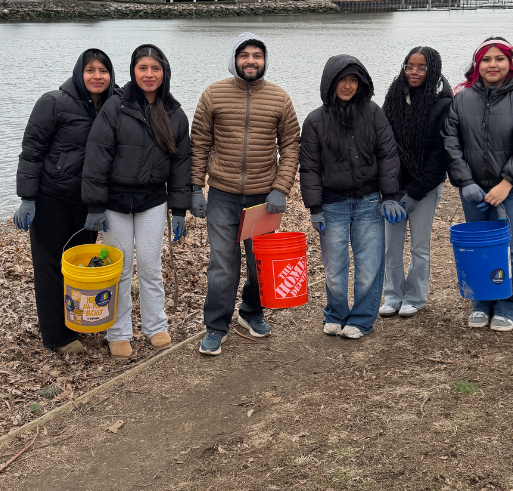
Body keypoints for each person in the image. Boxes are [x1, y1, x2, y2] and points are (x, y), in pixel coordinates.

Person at [191, 31, 300, 356]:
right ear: (235, 59)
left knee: (258, 265)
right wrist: (196, 188)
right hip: (222, 195)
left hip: (263, 198)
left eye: (257, 55)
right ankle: (216, 325)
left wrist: (281, 188)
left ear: (264, 61)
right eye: (245, 55)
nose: (251, 61)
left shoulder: (280, 98)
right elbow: (199, 143)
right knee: (223, 264)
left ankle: (251, 311)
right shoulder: (213, 94)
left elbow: (291, 146)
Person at [82, 44, 191, 360]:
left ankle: (155, 326)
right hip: (115, 203)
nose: (149, 74)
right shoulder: (115, 107)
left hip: (153, 201)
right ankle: (118, 332)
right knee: (118, 267)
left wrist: (179, 208)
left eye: (155, 68)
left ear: (164, 72)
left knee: (149, 264)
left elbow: (182, 163)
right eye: (143, 68)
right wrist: (94, 205)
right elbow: (97, 156)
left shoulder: (174, 112)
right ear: (133, 71)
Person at [14, 49, 116, 355]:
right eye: (90, 70)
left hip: (89, 203)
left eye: (103, 70)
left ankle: (77, 321)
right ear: (78, 73)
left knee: (80, 265)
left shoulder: (113, 105)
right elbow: (32, 151)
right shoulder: (53, 103)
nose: (97, 76)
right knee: (50, 266)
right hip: (52, 198)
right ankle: (56, 335)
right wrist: (27, 198)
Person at [443, 36, 513, 331]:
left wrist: (507, 182)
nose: (493, 64)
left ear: (511, 62)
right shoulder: (462, 98)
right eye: (486, 59)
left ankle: (508, 303)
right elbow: (451, 142)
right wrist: (465, 181)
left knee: (507, 248)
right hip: (474, 188)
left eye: (499, 58)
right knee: (478, 247)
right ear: (477, 64)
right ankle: (481, 301)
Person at [299, 54, 402, 339]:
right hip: (332, 204)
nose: (347, 86)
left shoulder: (373, 113)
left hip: (370, 201)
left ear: (361, 83)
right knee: (334, 267)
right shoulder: (315, 121)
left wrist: (390, 195)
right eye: (342, 80)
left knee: (369, 265)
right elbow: (309, 167)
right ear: (330, 83)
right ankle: (335, 314)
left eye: (353, 80)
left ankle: (361, 319)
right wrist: (314, 207)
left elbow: (388, 154)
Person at [379, 46, 453, 318]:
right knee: (391, 246)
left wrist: (414, 193)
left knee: (420, 246)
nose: (414, 71)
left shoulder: (443, 103)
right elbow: (383, 146)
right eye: (410, 65)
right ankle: (392, 296)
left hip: (425, 187)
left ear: (431, 69)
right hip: (393, 187)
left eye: (421, 67)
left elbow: (440, 157)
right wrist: (388, 191)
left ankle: (415, 297)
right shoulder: (395, 96)